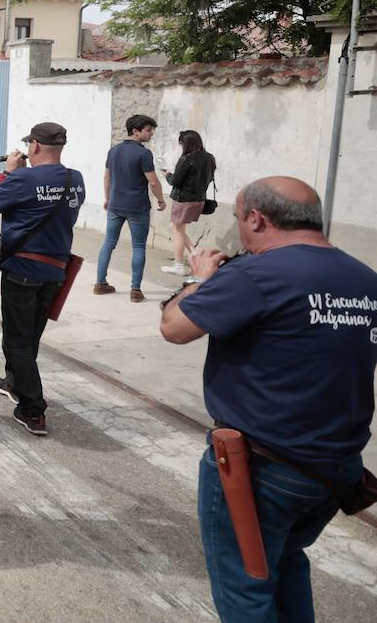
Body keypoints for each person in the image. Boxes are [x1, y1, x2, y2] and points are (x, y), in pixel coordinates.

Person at [159, 177, 377, 621]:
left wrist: (200, 279)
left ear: (256, 219)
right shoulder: (364, 277)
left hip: (263, 466)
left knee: (246, 585)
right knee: (285, 561)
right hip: (335, 465)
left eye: (239, 219)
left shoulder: (256, 273)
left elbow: (174, 328)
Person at [0, 122, 86, 436]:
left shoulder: (23, 178)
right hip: (55, 272)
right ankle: (15, 381)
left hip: (23, 270)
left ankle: (33, 409)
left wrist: (9, 172)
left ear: (35, 146)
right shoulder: (75, 179)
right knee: (29, 338)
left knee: (16, 342)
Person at [93, 114, 166, 303]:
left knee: (109, 242)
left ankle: (100, 283)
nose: (151, 134)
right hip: (137, 207)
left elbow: (107, 177)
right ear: (136, 131)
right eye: (148, 130)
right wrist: (161, 200)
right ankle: (135, 290)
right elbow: (153, 181)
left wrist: (107, 198)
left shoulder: (114, 151)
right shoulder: (144, 154)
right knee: (139, 246)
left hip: (115, 205)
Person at [162, 129, 217, 277]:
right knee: (174, 227)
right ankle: (195, 253)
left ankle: (179, 265)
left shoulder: (186, 159)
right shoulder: (210, 158)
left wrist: (167, 175)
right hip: (199, 199)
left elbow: (175, 182)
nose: (181, 147)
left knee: (178, 230)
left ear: (186, 144)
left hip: (183, 200)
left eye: (181, 144)